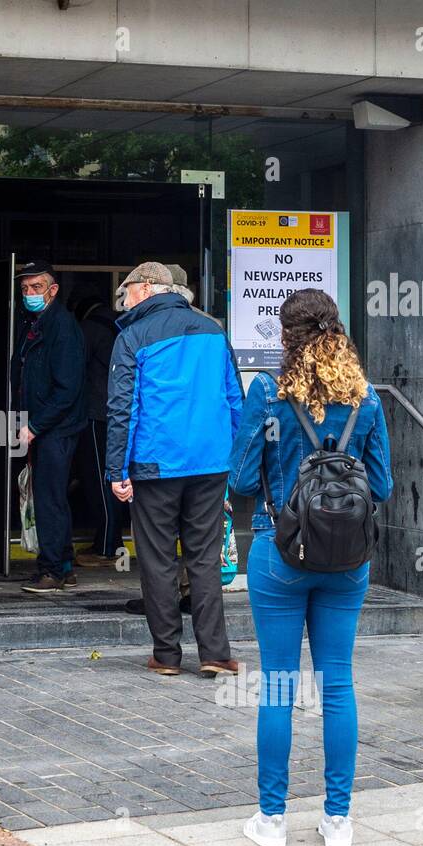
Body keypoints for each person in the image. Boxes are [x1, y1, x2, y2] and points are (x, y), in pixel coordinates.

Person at [227, 288, 392, 846]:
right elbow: (385, 486)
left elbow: (243, 480)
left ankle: (271, 820)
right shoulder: (366, 398)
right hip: (348, 561)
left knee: (276, 685)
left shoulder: (268, 393)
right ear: (338, 330)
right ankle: (338, 820)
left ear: (286, 336)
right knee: (338, 683)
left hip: (281, 554)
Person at [107, 262, 243, 677]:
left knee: (158, 559)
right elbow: (235, 399)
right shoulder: (214, 331)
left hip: (155, 464)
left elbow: (122, 410)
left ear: (146, 288)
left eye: (126, 292)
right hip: (209, 463)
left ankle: (166, 655)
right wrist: (227, 455)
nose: (123, 300)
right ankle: (215, 654)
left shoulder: (132, 336)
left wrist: (117, 469)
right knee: (204, 557)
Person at [11, 259, 86, 593]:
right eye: (25, 288)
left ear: (53, 290)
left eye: (37, 287)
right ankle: (64, 565)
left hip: (55, 428)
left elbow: (67, 388)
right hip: (45, 427)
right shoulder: (35, 323)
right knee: (53, 497)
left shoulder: (62, 327)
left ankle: (52, 570)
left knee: (48, 500)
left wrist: (35, 426)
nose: (30, 293)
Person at [70, 294, 127, 567]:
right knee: (116, 478)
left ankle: (107, 546)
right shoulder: (122, 325)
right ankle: (111, 543)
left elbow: (74, 372)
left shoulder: (88, 329)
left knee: (98, 479)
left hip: (97, 414)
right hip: (123, 414)